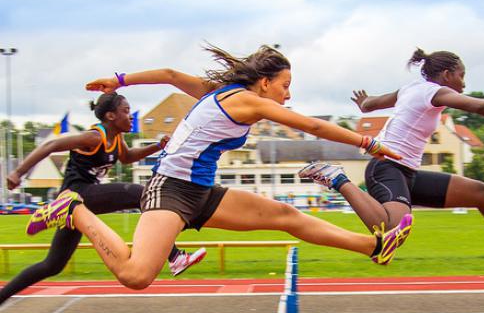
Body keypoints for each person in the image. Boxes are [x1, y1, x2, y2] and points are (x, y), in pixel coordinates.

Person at [25, 44, 412, 292]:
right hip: (171, 189)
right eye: (285, 85)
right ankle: (74, 211)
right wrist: (367, 141)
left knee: (286, 215)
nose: (288, 94)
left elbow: (171, 76)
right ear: (264, 83)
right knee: (136, 276)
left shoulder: (218, 93)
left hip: (201, 191)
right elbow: (309, 125)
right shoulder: (245, 100)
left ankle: (375, 246)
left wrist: (120, 79)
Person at [298, 48, 484, 273]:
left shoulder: (410, 89)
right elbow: (479, 105)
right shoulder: (432, 92)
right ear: (446, 74)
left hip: (407, 172)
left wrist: (364, 103)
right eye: (461, 76)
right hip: (387, 168)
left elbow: (372, 104)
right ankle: (338, 178)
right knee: (391, 232)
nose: (464, 84)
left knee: (481, 193)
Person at [0, 92, 206, 313]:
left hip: (77, 207)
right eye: (126, 111)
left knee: (52, 265)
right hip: (76, 195)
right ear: (111, 115)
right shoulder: (94, 137)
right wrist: (18, 173)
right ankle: (174, 257)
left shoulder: (116, 139)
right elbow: (51, 144)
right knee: (142, 193)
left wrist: (156, 146)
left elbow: (127, 158)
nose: (131, 117)